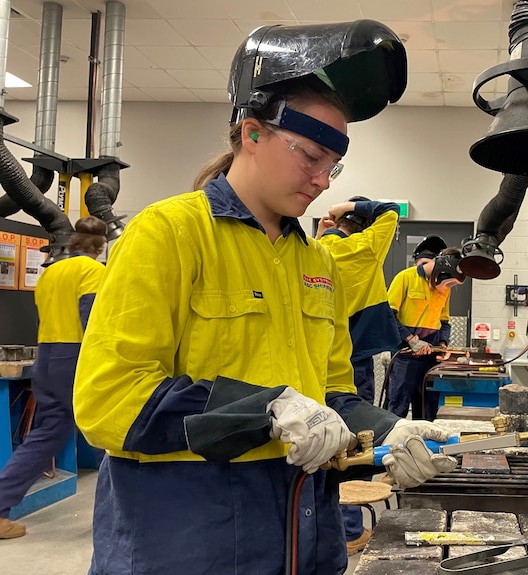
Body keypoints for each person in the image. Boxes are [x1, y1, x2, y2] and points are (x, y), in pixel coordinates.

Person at [72, 22, 456, 575]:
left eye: (334, 165)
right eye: (310, 156)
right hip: (188, 541)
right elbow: (109, 400)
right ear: (251, 132)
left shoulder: (317, 263)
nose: (324, 180)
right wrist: (265, 409)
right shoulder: (170, 233)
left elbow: (332, 396)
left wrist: (391, 431)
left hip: (303, 537)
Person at [0, 216, 107, 539]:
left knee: (47, 434)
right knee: (107, 434)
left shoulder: (50, 274)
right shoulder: (93, 272)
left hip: (46, 355)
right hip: (75, 358)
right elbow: (90, 319)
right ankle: (125, 512)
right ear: (100, 246)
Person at [316, 196, 403, 554]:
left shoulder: (315, 250)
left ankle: (328, 528)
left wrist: (326, 227)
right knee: (360, 442)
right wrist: (348, 204)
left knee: (321, 443)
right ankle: (351, 530)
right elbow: (390, 211)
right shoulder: (366, 247)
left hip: (317, 360)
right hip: (354, 361)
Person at [387, 243, 465, 420]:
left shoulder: (444, 289)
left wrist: (443, 344)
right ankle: (392, 446)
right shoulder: (405, 278)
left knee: (427, 408)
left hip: (430, 356)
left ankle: (423, 444)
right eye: (449, 283)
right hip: (405, 355)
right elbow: (388, 315)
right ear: (441, 273)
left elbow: (444, 321)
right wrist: (410, 339)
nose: (448, 288)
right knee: (398, 406)